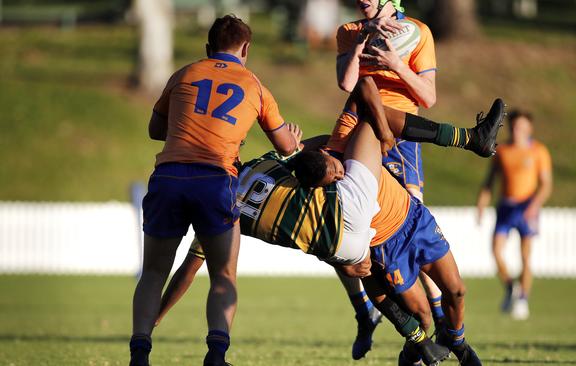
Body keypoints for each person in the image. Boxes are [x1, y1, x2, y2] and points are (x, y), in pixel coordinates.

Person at [155, 77, 503, 365]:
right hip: (379, 243)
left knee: (455, 290)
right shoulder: (270, 179)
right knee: (421, 316)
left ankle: (455, 343)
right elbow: (193, 262)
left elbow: (363, 91)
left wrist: (315, 146)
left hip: (410, 219)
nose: (336, 171)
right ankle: (410, 342)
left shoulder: (300, 156)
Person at [129, 15, 300, 366]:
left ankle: (140, 353)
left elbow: (154, 129)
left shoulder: (184, 74)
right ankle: (216, 355)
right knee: (223, 274)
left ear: (208, 48)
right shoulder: (254, 85)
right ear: (246, 49)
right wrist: (293, 139)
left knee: (153, 272)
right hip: (215, 180)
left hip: (170, 177)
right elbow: (285, 146)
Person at [336, 1, 450, 359]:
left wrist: (395, 64)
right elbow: (346, 83)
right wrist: (360, 46)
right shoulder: (349, 31)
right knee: (339, 228)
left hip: (400, 139)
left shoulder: (419, 32)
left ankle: (437, 318)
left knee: (413, 230)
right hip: (356, 129)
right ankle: (363, 310)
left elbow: (428, 97)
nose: (361, 0)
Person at [477, 110, 553, 320]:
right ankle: (511, 288)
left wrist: (535, 205)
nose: (517, 130)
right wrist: (482, 204)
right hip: (506, 206)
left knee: (525, 255)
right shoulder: (502, 150)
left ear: (529, 129)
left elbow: (546, 185)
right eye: (514, 126)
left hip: (527, 206)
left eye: (521, 127)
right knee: (496, 250)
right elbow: (489, 181)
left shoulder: (538, 151)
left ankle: (523, 299)